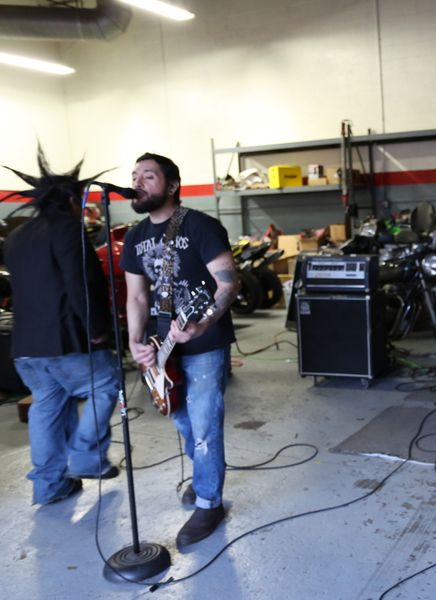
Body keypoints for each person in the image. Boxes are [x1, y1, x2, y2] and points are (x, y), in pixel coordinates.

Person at [120, 152, 239, 549]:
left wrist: (204, 322)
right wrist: (135, 342)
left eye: (148, 176)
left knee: (204, 426)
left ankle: (208, 502)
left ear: (172, 185)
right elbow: (137, 297)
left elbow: (226, 284)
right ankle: (205, 474)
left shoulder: (200, 226)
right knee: (183, 422)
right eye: (134, 176)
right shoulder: (135, 237)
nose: (137, 183)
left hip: (204, 342)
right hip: (162, 347)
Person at [3, 148, 120, 505]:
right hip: (66, 341)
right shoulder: (68, 228)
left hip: (26, 348)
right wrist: (98, 328)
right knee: (106, 383)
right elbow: (80, 282)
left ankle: (49, 485)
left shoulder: (17, 236)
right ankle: (86, 456)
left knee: (47, 406)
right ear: (71, 199)